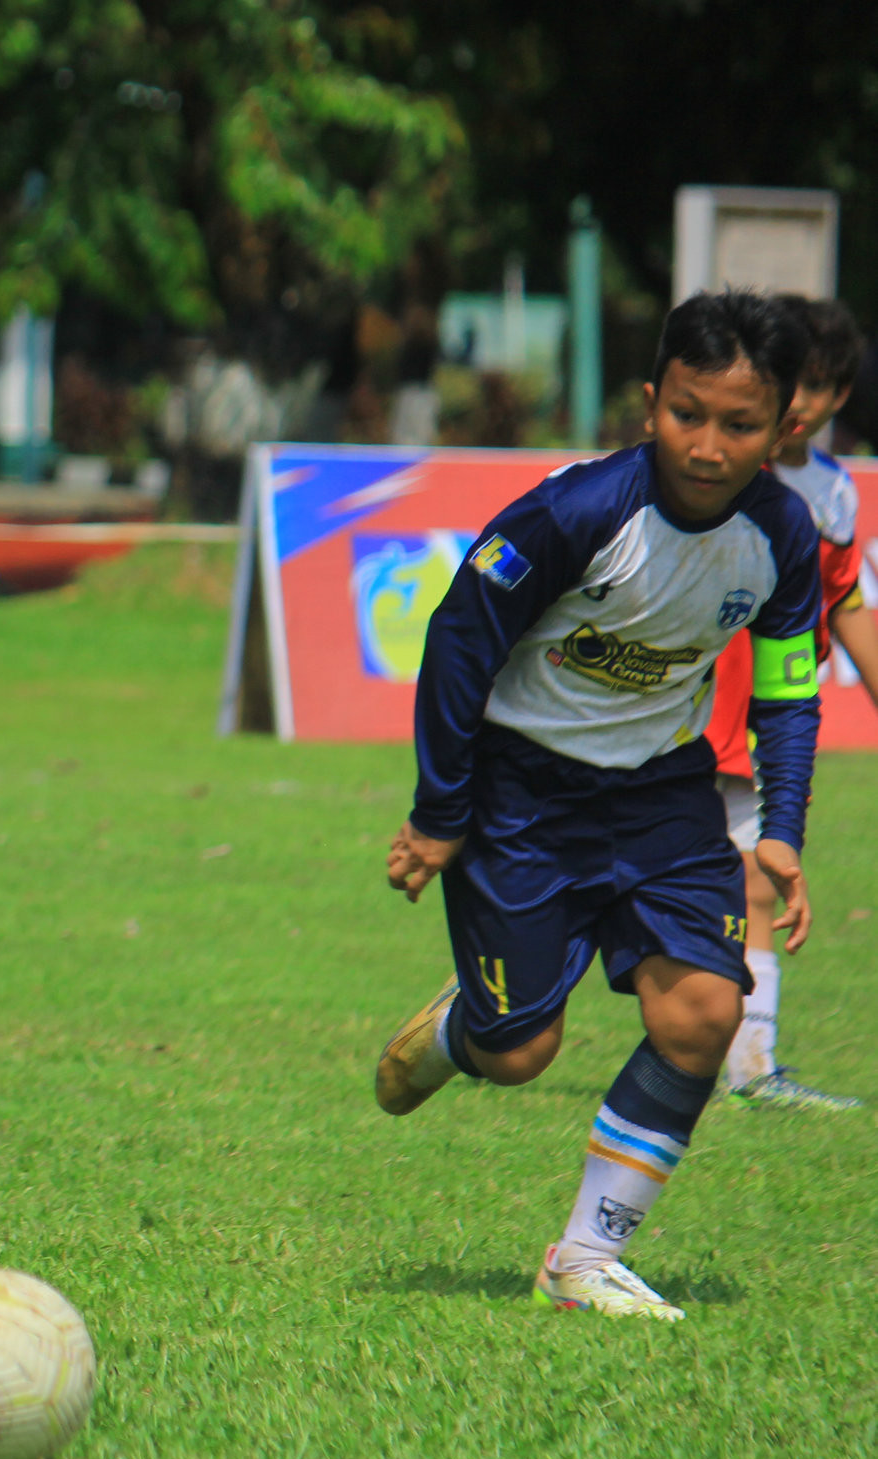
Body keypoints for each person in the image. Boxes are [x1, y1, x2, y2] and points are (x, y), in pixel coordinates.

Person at [378, 290, 822, 1323]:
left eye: (739, 424)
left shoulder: (781, 536)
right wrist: (442, 812)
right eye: (684, 413)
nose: (707, 445)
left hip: (661, 794)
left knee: (704, 1010)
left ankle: (581, 1257)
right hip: (520, 795)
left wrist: (786, 828)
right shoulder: (574, 513)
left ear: (785, 426)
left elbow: (790, 687)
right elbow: (456, 643)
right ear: (647, 402)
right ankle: (464, 1030)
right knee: (519, 1050)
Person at [702, 297, 873, 1109]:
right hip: (687, 703)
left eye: (821, 386)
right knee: (607, 865)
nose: (802, 401)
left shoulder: (834, 495)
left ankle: (754, 1062)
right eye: (791, 381)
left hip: (766, 717)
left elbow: (844, 605)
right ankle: (499, 995)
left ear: (839, 396)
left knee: (757, 878)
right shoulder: (725, 463)